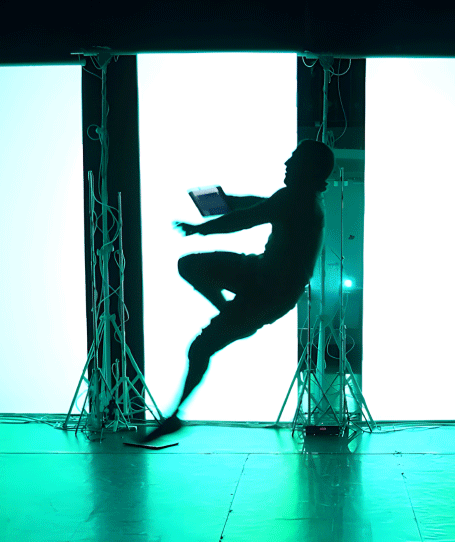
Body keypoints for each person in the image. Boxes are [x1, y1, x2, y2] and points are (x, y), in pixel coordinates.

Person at [141, 139, 335, 442]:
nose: (286, 163)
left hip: (267, 292)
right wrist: (221, 201)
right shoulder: (300, 197)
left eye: (294, 159)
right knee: (190, 273)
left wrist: (198, 229)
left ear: (308, 168)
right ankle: (228, 313)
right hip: (262, 278)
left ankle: (175, 415)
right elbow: (254, 204)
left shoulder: (298, 199)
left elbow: (247, 218)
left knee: (200, 344)